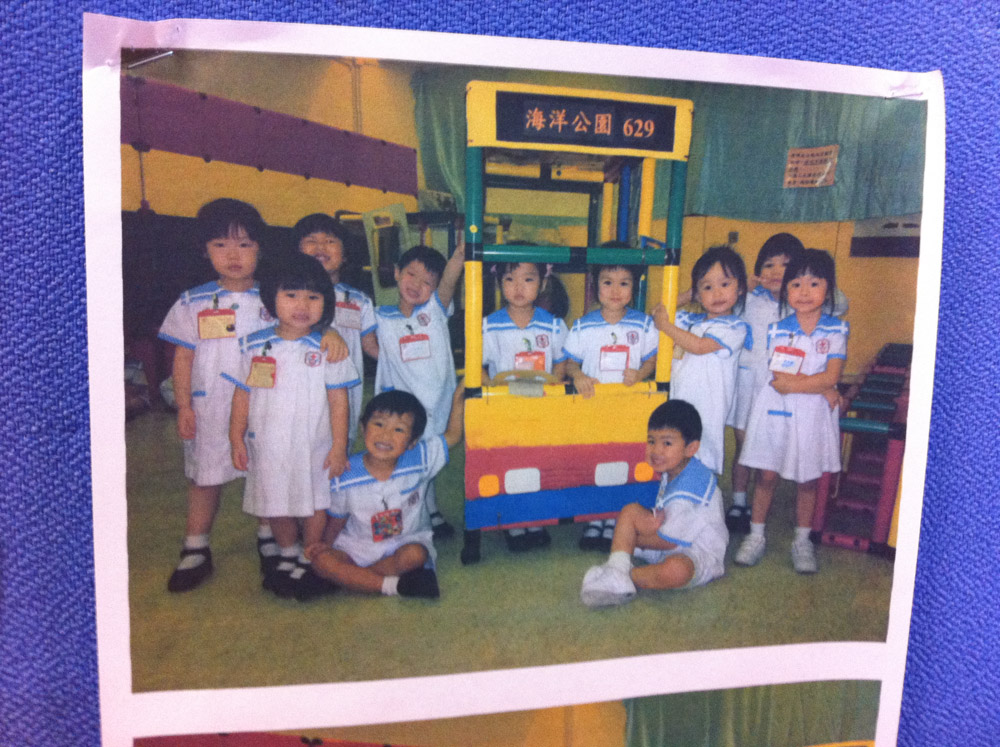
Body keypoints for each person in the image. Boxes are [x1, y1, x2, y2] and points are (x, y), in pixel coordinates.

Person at [225, 252, 360, 599]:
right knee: (274, 501)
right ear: (271, 298)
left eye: (313, 297)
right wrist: (235, 438)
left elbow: (339, 401)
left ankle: (309, 553)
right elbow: (242, 395)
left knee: (315, 501)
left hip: (314, 445)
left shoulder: (330, 348)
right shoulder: (253, 345)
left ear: (325, 303)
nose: (302, 305)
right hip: (267, 445)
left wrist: (339, 446)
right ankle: (287, 551)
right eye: (291, 295)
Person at [157, 199, 274, 592]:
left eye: (244, 245)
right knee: (205, 475)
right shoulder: (192, 301)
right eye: (221, 245)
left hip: (262, 405)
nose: (233, 255)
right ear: (204, 251)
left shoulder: (274, 299)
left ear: (260, 249)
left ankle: (270, 538)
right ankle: (196, 546)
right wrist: (184, 406)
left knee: (264, 471)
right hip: (210, 407)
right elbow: (182, 357)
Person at [735, 249, 848, 574]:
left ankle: (802, 540)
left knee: (807, 480)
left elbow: (831, 375)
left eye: (814, 283)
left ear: (828, 288)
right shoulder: (778, 329)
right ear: (786, 290)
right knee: (766, 475)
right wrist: (820, 385)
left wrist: (824, 385)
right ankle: (756, 535)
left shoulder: (836, 330)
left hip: (813, 415)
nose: (804, 292)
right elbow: (780, 380)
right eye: (796, 284)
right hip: (777, 410)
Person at [305, 386, 465, 599]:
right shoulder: (346, 473)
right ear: (363, 428)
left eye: (399, 430)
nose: (385, 435)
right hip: (357, 546)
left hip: (405, 541)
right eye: (378, 424)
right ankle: (394, 586)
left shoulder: (420, 459)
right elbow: (337, 518)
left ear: (412, 441)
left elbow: (453, 435)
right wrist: (325, 545)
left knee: (416, 555)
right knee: (322, 560)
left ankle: (351, 579)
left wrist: (459, 395)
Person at [580, 399, 728, 608]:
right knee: (630, 511)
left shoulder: (690, 491)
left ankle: (626, 575)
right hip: (667, 533)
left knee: (676, 570)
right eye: (651, 441)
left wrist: (632, 538)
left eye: (667, 443)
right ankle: (617, 568)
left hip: (696, 552)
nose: (656, 450)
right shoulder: (677, 467)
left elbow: (667, 542)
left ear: (691, 448)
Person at [564, 261, 658, 551]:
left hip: (629, 409)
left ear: (634, 287)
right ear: (596, 286)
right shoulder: (583, 325)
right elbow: (569, 362)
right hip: (594, 408)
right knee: (596, 460)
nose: (615, 290)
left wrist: (640, 374)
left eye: (624, 283)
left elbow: (653, 359)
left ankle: (616, 517)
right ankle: (595, 518)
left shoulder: (643, 324)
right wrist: (578, 375)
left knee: (624, 461)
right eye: (607, 282)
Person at [373, 242, 465, 540]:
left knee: (430, 458)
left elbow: (450, 280)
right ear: (397, 273)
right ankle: (404, 519)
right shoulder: (380, 316)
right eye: (411, 274)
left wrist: (459, 256)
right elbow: (368, 345)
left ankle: (429, 509)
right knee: (400, 462)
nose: (416, 285)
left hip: (436, 403)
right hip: (401, 406)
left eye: (427, 282)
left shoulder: (434, 311)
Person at [482, 261, 569, 552]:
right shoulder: (489, 325)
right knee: (509, 462)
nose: (518, 287)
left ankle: (534, 516)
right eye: (510, 279)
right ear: (500, 283)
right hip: (505, 409)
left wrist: (553, 393)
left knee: (536, 461)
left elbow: (561, 362)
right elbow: (478, 366)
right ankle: (512, 520)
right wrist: (491, 394)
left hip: (540, 409)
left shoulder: (553, 325)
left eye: (528, 279)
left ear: (542, 283)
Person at [653, 245, 749, 477]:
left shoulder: (734, 327)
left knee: (701, 460)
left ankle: (704, 497)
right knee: (674, 459)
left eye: (725, 284)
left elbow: (699, 347)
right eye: (707, 287)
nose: (717, 293)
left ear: (740, 288)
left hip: (707, 409)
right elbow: (657, 311)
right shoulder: (689, 319)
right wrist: (689, 294)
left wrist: (666, 326)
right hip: (679, 402)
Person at [294, 213, 378, 446]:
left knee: (339, 454)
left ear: (345, 254)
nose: (321, 247)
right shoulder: (287, 296)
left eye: (330, 241)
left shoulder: (359, 300)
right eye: (311, 241)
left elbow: (371, 347)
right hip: (302, 396)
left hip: (345, 398)